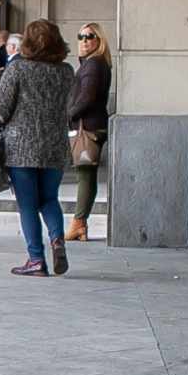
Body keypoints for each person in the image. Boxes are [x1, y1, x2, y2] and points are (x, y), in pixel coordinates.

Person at [0, 19, 75, 277]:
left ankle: (36, 259)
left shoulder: (17, 70)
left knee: (27, 204)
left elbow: (1, 109)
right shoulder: (66, 71)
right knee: (49, 198)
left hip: (21, 147)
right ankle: (58, 239)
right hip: (55, 146)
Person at [66, 22, 112, 242]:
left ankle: (78, 223)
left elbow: (87, 97)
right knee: (87, 174)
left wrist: (69, 115)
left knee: (85, 175)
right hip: (92, 125)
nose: (84, 41)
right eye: (81, 36)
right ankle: (80, 223)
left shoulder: (94, 64)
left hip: (88, 127)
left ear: (99, 40)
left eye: (89, 36)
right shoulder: (95, 63)